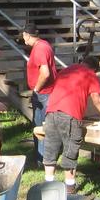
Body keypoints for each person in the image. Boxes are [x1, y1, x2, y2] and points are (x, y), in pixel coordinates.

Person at [44, 56, 100, 192]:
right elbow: (97, 100)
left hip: (51, 113)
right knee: (70, 151)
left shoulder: (66, 70)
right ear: (95, 69)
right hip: (69, 116)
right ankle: (69, 188)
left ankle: (48, 187)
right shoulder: (90, 75)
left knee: (50, 150)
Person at [22, 24, 58, 163]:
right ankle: (41, 157)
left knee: (40, 127)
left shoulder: (40, 49)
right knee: (41, 126)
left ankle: (42, 159)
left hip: (44, 94)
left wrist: (36, 89)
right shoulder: (43, 45)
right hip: (45, 93)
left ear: (27, 35)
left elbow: (45, 73)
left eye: (23, 36)